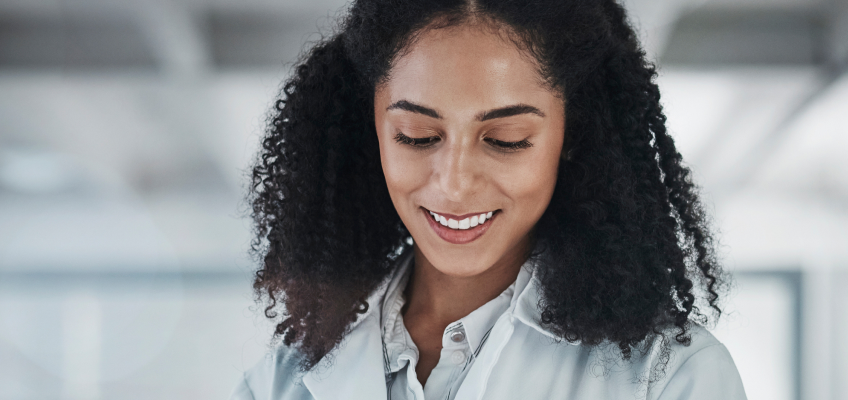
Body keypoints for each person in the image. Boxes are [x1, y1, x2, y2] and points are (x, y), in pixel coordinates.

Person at [234, 0, 745, 399]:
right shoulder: (281, 384)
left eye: (506, 140)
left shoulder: (672, 380)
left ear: (573, 136)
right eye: (416, 135)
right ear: (369, 129)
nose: (454, 185)